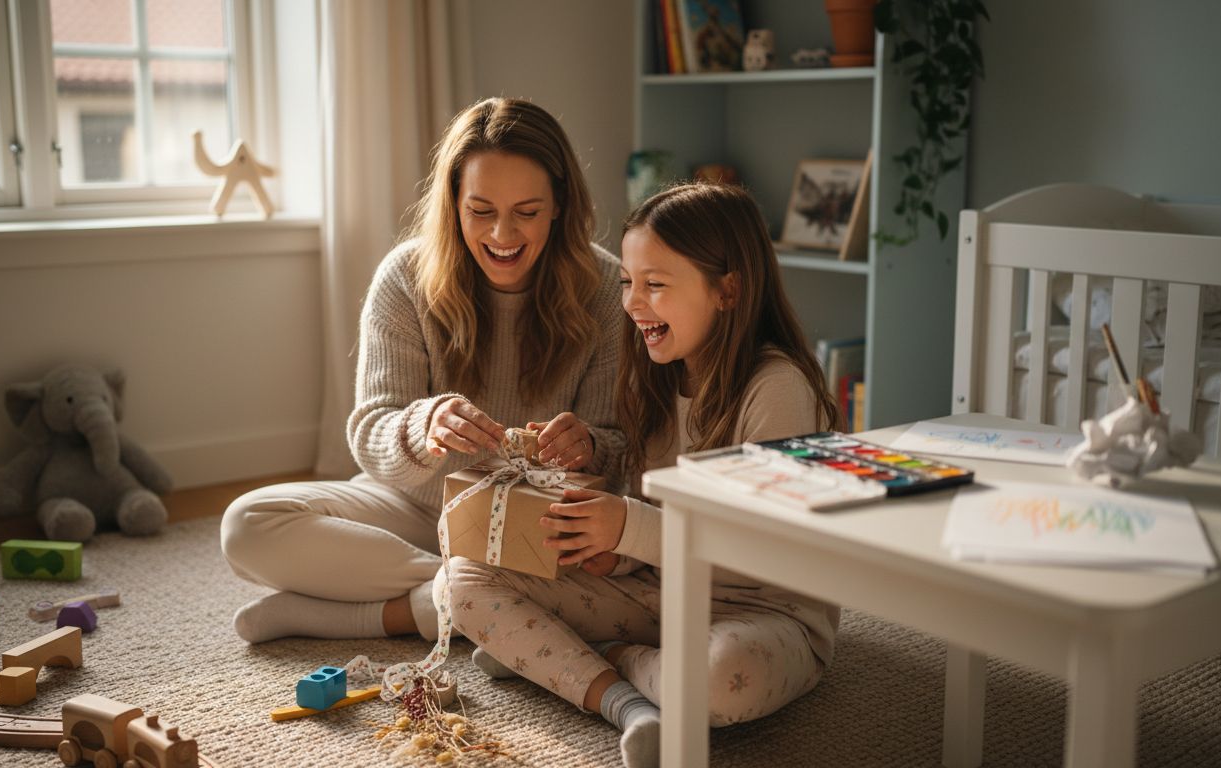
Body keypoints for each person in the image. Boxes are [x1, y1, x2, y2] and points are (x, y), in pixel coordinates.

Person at [449, 182, 844, 768]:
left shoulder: (777, 389)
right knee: (461, 580)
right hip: (663, 595)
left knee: (719, 677)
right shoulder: (657, 377)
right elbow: (645, 526)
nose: (633, 303)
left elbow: (765, 548)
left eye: (655, 285)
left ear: (728, 289)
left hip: (764, 612)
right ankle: (625, 704)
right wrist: (608, 552)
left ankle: (591, 652)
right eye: (629, 283)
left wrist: (628, 529)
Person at [219, 97, 627, 644]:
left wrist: (589, 446)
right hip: (414, 508)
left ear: (559, 205)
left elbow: (621, 446)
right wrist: (423, 427)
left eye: (527, 212)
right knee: (247, 525)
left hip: (534, 527)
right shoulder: (406, 277)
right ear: (453, 203)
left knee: (604, 566)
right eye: (481, 210)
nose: (503, 235)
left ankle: (368, 613)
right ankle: (480, 599)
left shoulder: (606, 288)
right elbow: (369, 432)